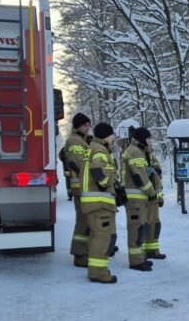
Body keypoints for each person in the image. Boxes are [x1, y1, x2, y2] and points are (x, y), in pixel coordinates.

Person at [79, 122, 119, 283]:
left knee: (98, 236)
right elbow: (97, 169)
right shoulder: (100, 150)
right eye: (112, 135)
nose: (114, 138)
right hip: (99, 203)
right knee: (101, 237)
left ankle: (98, 270)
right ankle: (98, 273)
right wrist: (106, 184)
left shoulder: (94, 148)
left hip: (95, 203)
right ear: (105, 136)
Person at [122, 127, 157, 271]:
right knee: (136, 229)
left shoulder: (139, 151)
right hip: (135, 199)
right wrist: (152, 193)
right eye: (148, 139)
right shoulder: (135, 152)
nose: (150, 142)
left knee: (141, 227)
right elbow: (140, 177)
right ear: (142, 139)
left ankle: (140, 257)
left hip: (139, 199)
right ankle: (136, 261)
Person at [61, 112, 91, 266]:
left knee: (86, 220)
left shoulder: (81, 140)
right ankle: (79, 255)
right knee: (83, 221)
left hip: (84, 187)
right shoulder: (75, 141)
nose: (88, 127)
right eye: (85, 125)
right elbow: (79, 164)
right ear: (77, 126)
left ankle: (84, 251)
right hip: (81, 187)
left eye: (88, 125)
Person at [144, 136, 167, 260]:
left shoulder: (151, 156)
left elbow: (157, 176)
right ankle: (146, 251)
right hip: (147, 198)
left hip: (155, 198)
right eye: (148, 140)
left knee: (155, 225)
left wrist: (160, 198)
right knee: (147, 224)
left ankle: (153, 250)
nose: (151, 142)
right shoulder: (140, 155)